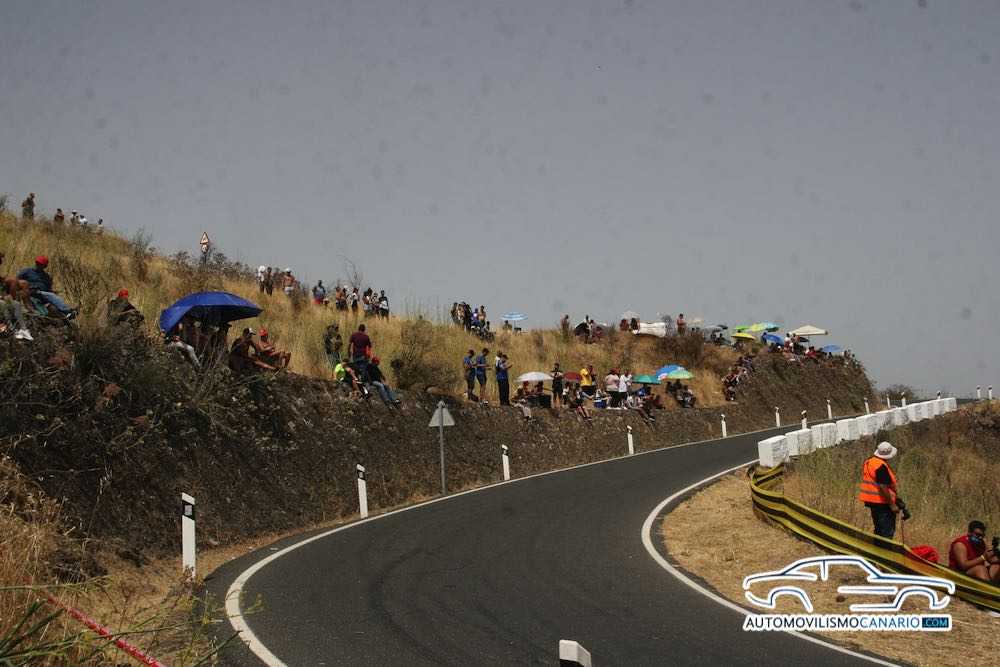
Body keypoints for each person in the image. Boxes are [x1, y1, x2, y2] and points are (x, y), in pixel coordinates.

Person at [858, 441, 904, 539]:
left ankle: (877, 546)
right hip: (883, 503)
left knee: (879, 529)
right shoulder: (881, 467)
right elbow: (883, 486)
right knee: (886, 532)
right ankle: (883, 548)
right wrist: (892, 505)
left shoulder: (870, 461)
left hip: (873, 502)